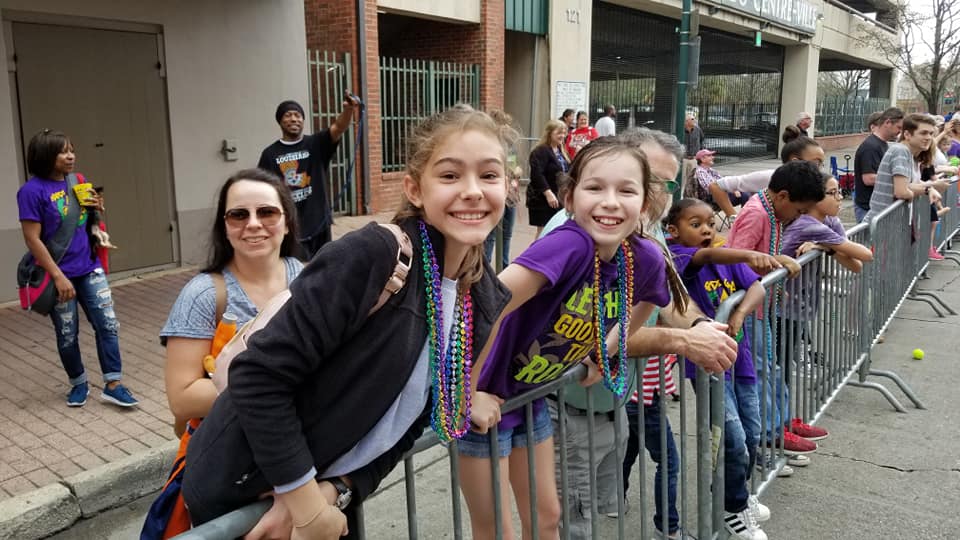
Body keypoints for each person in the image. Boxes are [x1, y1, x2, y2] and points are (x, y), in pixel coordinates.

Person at [181, 107, 516, 538]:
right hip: (244, 501)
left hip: (324, 502)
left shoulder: (482, 299)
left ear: (508, 187)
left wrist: (335, 492)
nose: (472, 191)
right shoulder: (375, 256)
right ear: (415, 188)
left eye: (489, 176)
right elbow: (258, 375)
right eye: (450, 176)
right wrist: (304, 502)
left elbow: (409, 418)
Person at [459, 135, 677, 540]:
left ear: (645, 204)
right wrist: (468, 392)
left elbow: (648, 301)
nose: (610, 201)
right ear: (570, 198)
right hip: (483, 398)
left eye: (626, 190)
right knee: (496, 530)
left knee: (547, 517)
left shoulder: (643, 256)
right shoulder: (570, 245)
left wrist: (604, 351)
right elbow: (487, 302)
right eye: (595, 187)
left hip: (529, 398)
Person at [538, 128, 737, 540]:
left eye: (663, 183)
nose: (657, 195)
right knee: (564, 523)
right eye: (646, 180)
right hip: (563, 409)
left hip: (610, 401)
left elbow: (665, 298)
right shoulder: (577, 232)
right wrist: (680, 341)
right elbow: (574, 340)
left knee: (591, 515)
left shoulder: (644, 224)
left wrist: (699, 327)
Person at [144, 169, 305, 539]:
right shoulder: (204, 295)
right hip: (229, 466)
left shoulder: (306, 278)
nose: (253, 224)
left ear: (286, 221)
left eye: (267, 212)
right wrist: (274, 390)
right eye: (238, 215)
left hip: (301, 460)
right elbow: (183, 398)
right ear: (224, 225)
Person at [665, 198, 784, 540]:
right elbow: (707, 256)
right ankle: (733, 509)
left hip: (741, 361)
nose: (706, 230)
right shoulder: (679, 257)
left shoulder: (726, 259)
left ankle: (738, 497)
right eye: (696, 224)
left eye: (710, 224)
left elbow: (757, 286)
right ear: (674, 231)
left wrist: (740, 312)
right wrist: (747, 253)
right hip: (710, 368)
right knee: (731, 441)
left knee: (750, 434)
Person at [16, 129, 138, 408]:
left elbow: (87, 221)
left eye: (72, 149)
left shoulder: (78, 181)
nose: (71, 155)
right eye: (63, 151)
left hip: (89, 267)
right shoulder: (30, 192)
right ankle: (79, 383)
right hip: (58, 273)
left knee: (107, 323)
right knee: (68, 333)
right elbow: (32, 239)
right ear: (46, 155)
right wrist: (58, 277)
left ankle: (113, 383)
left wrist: (98, 207)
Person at [725, 160, 826, 461]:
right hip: (748, 308)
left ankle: (779, 425)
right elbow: (735, 260)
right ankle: (769, 435)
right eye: (799, 210)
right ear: (782, 196)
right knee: (760, 370)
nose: (800, 216)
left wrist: (777, 259)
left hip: (760, 307)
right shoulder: (757, 214)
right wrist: (779, 262)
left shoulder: (772, 213)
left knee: (771, 367)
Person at [257, 97, 359, 258]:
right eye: (288, 115)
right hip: (289, 228)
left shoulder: (315, 144)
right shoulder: (269, 154)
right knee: (297, 273)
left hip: (319, 223)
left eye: (297, 115)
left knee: (323, 267)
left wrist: (348, 110)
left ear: (303, 120)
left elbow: (338, 128)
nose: (293, 119)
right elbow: (262, 192)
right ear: (280, 121)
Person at [863, 113, 946, 224]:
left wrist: (929, 189)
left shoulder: (908, 153)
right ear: (907, 134)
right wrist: (922, 191)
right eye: (923, 133)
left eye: (931, 133)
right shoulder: (900, 151)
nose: (929, 138)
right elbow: (901, 191)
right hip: (883, 224)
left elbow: (907, 185)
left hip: (891, 224)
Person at [710, 128, 825, 204]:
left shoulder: (813, 187)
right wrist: (733, 216)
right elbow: (716, 186)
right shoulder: (770, 177)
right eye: (816, 163)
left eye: (821, 164)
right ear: (795, 162)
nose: (820, 169)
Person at [484, 109, 521, 270]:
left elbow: (514, 165)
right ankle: (485, 269)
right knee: (491, 236)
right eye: (504, 124)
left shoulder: (510, 145)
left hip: (511, 193)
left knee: (507, 234)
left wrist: (517, 170)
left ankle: (504, 268)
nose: (507, 128)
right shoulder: (488, 146)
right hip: (498, 193)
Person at [854, 107, 904, 223]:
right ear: (887, 122)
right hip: (868, 207)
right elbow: (868, 178)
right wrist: (899, 180)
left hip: (875, 207)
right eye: (898, 127)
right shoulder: (871, 147)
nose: (899, 132)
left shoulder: (882, 144)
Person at [527, 119, 570, 236]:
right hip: (543, 199)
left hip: (559, 196)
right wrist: (548, 193)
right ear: (549, 133)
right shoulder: (540, 151)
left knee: (556, 229)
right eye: (559, 133)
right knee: (544, 231)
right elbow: (537, 174)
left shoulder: (561, 150)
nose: (562, 136)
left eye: (564, 133)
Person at [692, 149, 750, 218]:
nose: (713, 157)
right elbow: (709, 188)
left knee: (746, 193)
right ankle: (745, 219)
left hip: (721, 195)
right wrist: (731, 190)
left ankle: (744, 218)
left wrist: (733, 189)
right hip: (712, 199)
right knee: (745, 195)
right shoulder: (700, 172)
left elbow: (723, 181)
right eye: (709, 156)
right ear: (702, 159)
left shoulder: (710, 170)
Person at [682, 115, 704, 187]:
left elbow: (701, 140)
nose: (694, 120)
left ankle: (689, 196)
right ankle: (681, 196)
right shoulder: (681, 130)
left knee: (692, 179)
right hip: (683, 159)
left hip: (694, 158)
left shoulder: (697, 129)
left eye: (694, 119)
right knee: (682, 179)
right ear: (686, 121)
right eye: (692, 119)